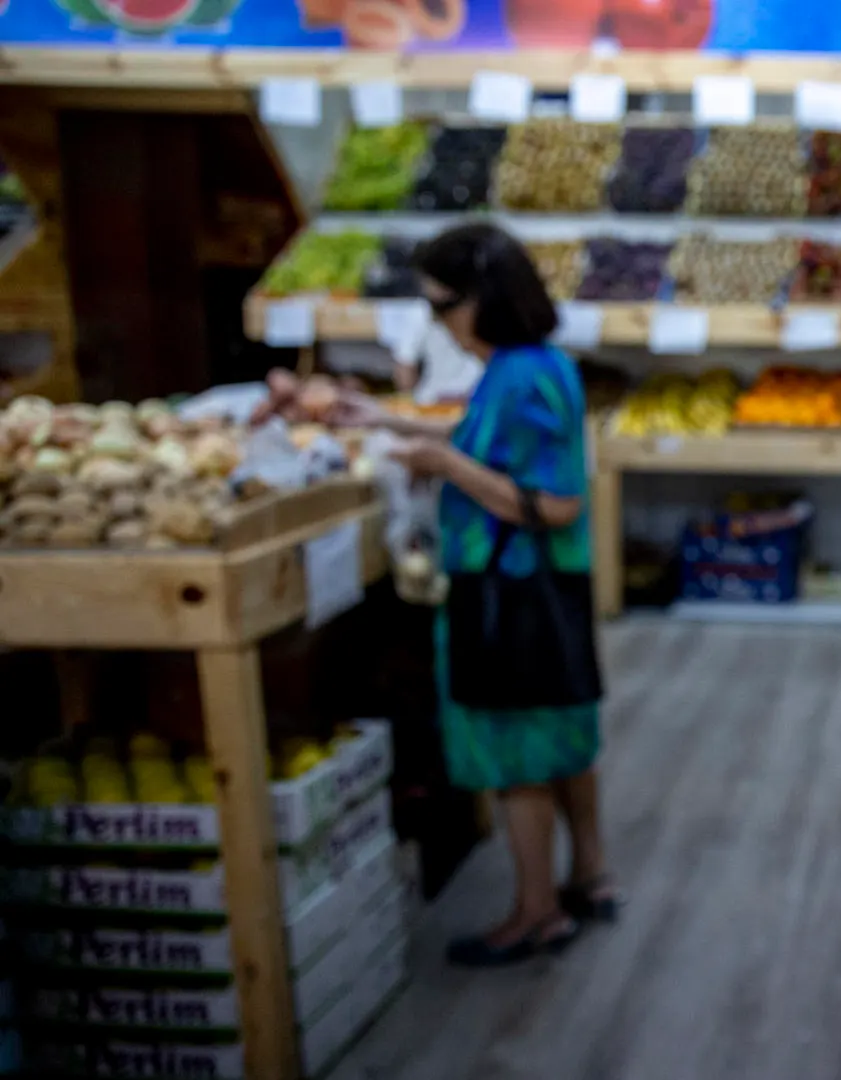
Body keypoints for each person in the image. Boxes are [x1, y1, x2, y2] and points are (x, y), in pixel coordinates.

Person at [334, 222, 616, 966]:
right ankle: (587, 874)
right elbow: (490, 445)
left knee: (515, 754)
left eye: (440, 305)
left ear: (480, 301)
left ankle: (535, 913)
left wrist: (445, 467)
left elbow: (554, 502)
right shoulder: (532, 365)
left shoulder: (519, 376)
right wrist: (391, 423)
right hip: (540, 586)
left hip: (510, 593)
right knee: (561, 733)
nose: (436, 323)